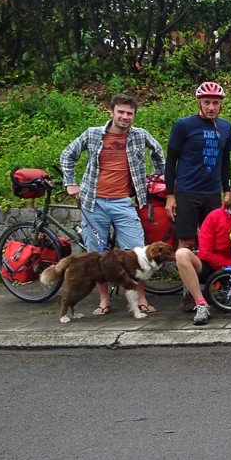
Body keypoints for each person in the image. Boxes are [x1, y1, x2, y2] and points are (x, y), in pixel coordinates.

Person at [59, 94, 166, 316]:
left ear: (134, 115)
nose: (125, 117)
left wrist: (158, 177)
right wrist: (70, 183)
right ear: (112, 112)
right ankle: (104, 300)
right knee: (96, 255)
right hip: (93, 202)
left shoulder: (139, 136)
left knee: (138, 253)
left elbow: (159, 153)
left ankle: (140, 299)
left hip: (123, 202)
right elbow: (68, 155)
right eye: (121, 112)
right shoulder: (93, 134)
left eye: (129, 113)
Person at [175, 176, 231, 326]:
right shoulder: (214, 216)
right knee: (182, 254)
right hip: (214, 268)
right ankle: (201, 304)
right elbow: (205, 253)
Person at [165, 81, 231, 253]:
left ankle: (208, 278)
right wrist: (170, 195)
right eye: (207, 102)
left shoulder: (225, 127)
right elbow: (171, 160)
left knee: (212, 240)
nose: (211, 107)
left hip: (212, 193)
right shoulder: (184, 125)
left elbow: (225, 160)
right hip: (187, 191)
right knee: (186, 241)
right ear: (199, 103)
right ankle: (185, 278)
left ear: (221, 105)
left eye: (215, 103)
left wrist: (226, 191)